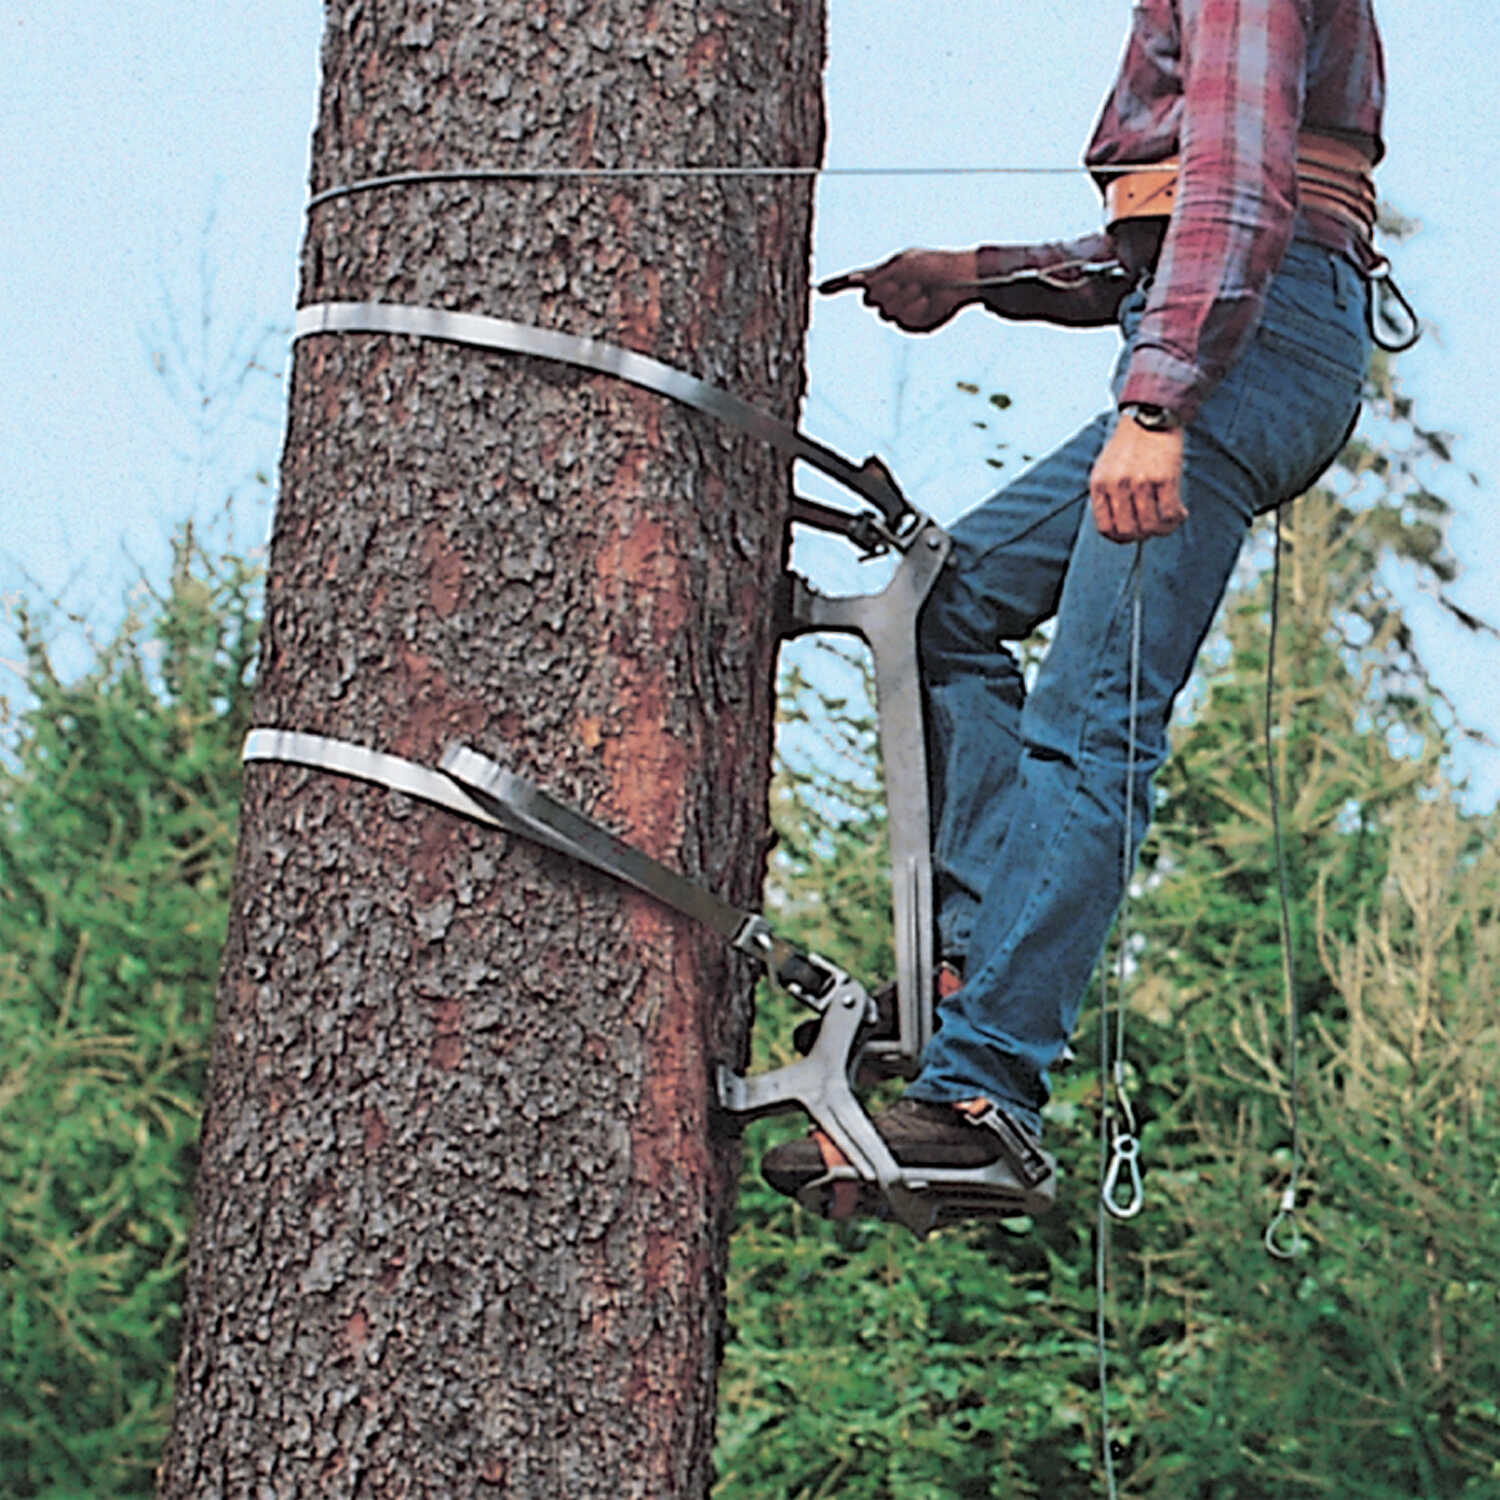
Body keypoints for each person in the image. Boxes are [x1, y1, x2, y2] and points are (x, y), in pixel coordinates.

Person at [763, 0, 1385, 1215]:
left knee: (1091, 726)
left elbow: (1243, 196)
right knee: (949, 601)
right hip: (1249, 328)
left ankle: (981, 1094)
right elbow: (1179, 224)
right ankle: (977, 977)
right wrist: (979, 279)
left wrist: (1158, 409)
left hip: (1244, 349)